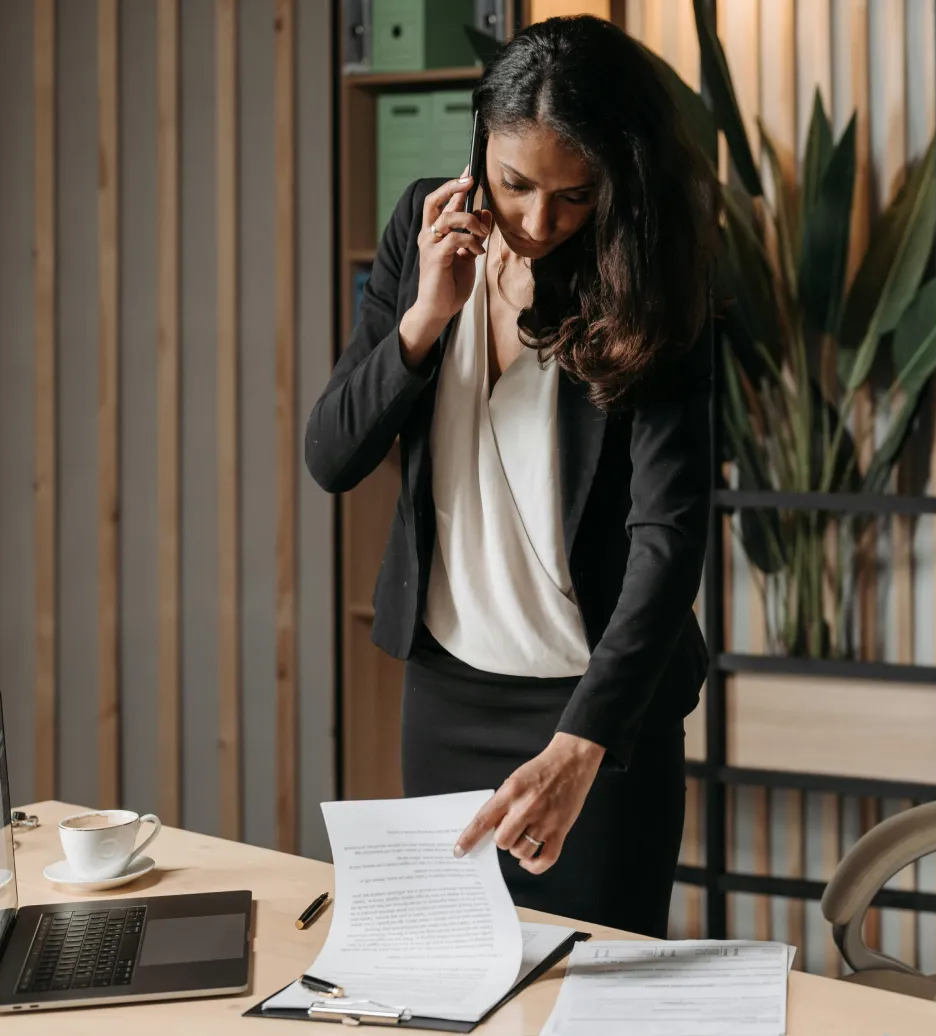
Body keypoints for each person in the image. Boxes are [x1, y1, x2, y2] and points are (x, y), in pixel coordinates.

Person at [305, 15, 718, 939]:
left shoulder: (651, 281)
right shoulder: (423, 229)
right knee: (453, 982)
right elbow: (333, 455)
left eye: (576, 195)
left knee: (596, 990)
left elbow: (669, 541)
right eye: (517, 184)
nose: (538, 222)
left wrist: (582, 747)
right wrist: (423, 319)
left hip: (597, 715)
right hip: (448, 700)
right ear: (480, 149)